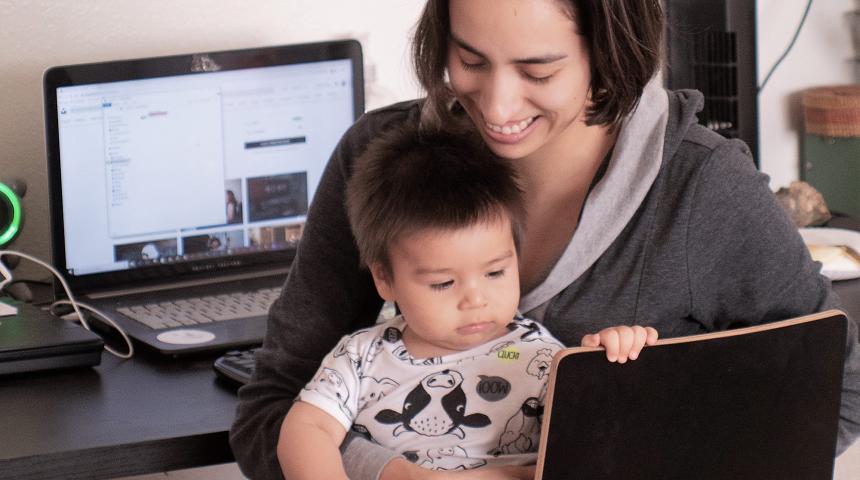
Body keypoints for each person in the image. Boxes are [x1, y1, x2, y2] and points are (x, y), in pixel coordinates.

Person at [231, 1, 860, 479]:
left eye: (539, 69)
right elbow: (270, 410)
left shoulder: (699, 187)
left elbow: (837, 395)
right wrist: (399, 473)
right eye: (470, 60)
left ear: (608, 53)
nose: (498, 106)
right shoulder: (383, 161)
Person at [277, 125, 657, 479]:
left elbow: (600, 445)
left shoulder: (542, 358)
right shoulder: (361, 358)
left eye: (495, 273)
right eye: (443, 283)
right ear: (385, 279)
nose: (475, 299)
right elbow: (307, 429)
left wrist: (607, 366)